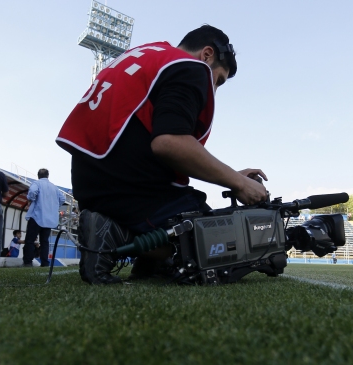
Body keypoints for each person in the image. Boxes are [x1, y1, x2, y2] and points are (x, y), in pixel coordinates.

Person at [56, 25, 267, 284]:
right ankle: (115, 234)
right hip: (128, 185)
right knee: (222, 244)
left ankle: (151, 259)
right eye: (219, 80)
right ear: (207, 55)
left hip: (94, 180)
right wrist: (238, 182)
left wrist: (233, 175)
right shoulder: (192, 67)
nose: (215, 88)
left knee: (194, 216)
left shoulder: (148, 54)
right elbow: (169, 143)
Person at [23, 168, 66, 267]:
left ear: (38, 176)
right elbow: (62, 198)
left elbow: (32, 192)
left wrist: (31, 199)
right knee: (45, 241)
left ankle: (28, 261)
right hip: (49, 218)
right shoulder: (54, 187)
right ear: (48, 176)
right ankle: (45, 263)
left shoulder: (36, 183)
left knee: (30, 240)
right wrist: (54, 206)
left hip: (37, 216)